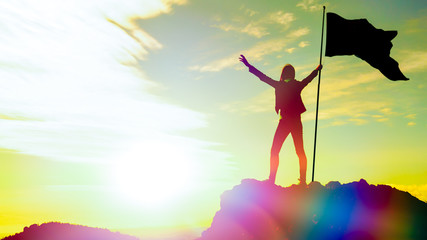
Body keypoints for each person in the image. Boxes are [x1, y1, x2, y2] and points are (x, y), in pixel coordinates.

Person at [239, 54, 322, 186]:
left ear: (283, 74)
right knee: (299, 151)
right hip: (295, 122)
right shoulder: (296, 85)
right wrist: (317, 70)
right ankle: (303, 180)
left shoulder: (279, 85)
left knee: (276, 150)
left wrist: (249, 65)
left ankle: (272, 180)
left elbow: (262, 77)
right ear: (292, 74)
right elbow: (309, 79)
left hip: (284, 122)